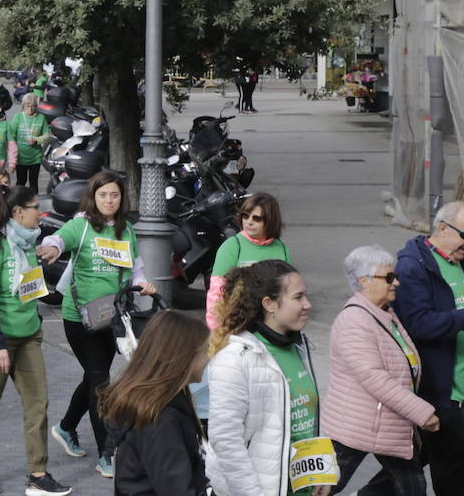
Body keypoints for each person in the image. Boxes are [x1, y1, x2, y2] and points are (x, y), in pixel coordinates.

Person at [36, 170, 154, 477]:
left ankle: (65, 428)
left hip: (113, 318)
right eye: (103, 195)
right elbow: (59, 238)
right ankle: (107, 453)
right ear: (93, 197)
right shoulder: (83, 225)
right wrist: (51, 247)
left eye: (114, 195)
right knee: (101, 383)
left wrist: (144, 283)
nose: (109, 200)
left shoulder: (126, 230)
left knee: (92, 379)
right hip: (80, 319)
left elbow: (136, 270)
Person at [0, 183, 69, 496]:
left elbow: (30, 288)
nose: (41, 212)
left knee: (38, 403)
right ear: (18, 212)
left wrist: (35, 321)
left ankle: (38, 474)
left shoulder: (26, 243)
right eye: (36, 207)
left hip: (26, 336)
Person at [393, 200, 464, 494]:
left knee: (419, 456)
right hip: (433, 389)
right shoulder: (413, 266)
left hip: (456, 386)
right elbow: (420, 325)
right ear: (443, 228)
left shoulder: (463, 264)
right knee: (459, 471)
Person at [319, 244, 433, 495]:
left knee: (412, 487)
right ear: (364, 281)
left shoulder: (384, 313)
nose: (396, 283)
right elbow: (375, 378)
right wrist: (422, 413)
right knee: (323, 488)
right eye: (389, 277)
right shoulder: (354, 322)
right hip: (356, 424)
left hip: (387, 423)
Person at [205, 259, 319, 496]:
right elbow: (226, 441)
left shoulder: (299, 346)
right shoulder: (236, 358)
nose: (307, 304)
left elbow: (307, 422)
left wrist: (322, 470)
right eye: (298, 298)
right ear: (269, 304)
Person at [100, 311, 212, 496]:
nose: (209, 359)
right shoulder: (160, 420)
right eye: (205, 351)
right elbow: (177, 488)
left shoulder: (155, 404)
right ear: (184, 358)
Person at [208, 193, 291, 328]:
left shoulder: (281, 249)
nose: (249, 221)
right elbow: (217, 293)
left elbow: (288, 291)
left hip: (272, 326)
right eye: (245, 216)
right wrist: (215, 329)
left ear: (270, 220)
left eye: (256, 218)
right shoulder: (232, 246)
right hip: (238, 324)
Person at [9, 94, 48, 190]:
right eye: (27, 106)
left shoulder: (41, 117)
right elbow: (11, 135)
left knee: (33, 182)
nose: (30, 109)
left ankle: (33, 203)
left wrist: (36, 140)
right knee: (21, 182)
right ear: (23, 106)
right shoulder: (17, 117)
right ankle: (18, 203)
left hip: (35, 157)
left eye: (33, 106)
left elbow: (47, 134)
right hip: (21, 157)